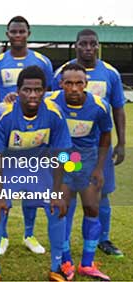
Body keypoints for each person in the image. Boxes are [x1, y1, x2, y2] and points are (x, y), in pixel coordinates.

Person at [0, 66, 70, 281]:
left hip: (40, 168)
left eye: (38, 90)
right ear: (18, 90)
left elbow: (61, 155)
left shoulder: (54, 114)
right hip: (9, 167)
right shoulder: (2, 114)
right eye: (27, 90)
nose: (32, 95)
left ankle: (56, 267)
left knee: (57, 210)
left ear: (45, 91)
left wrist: (58, 191)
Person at [51, 29, 125, 258]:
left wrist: (121, 142)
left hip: (94, 150)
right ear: (76, 46)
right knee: (68, 195)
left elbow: (118, 109)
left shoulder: (110, 74)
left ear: (98, 46)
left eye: (93, 44)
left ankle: (103, 239)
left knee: (100, 193)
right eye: (83, 44)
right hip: (67, 152)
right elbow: (50, 107)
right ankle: (64, 247)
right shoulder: (61, 73)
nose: (88, 48)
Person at [46, 63, 113, 280]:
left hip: (87, 160)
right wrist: (11, 99)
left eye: (78, 83)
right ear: (61, 84)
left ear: (86, 84)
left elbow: (105, 135)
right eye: (69, 83)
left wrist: (99, 168)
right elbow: (25, 100)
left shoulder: (100, 106)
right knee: (62, 209)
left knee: (92, 208)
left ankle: (87, 263)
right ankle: (65, 261)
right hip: (64, 159)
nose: (74, 88)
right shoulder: (50, 101)